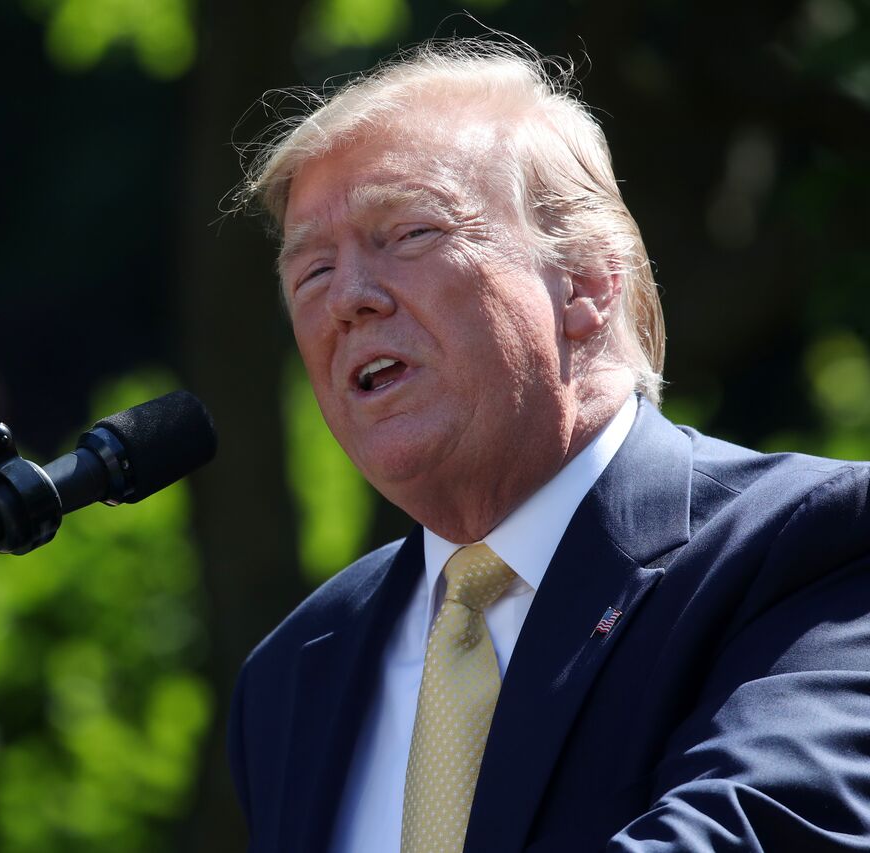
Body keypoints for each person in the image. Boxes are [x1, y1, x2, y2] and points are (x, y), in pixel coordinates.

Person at [227, 38, 870, 853]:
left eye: (411, 232)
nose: (347, 298)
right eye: (310, 273)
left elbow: (749, 834)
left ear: (590, 281)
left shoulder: (811, 548)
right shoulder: (293, 673)